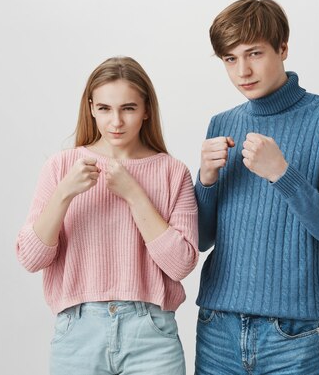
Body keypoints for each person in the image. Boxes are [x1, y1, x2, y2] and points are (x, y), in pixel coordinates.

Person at [194, 0, 319, 374]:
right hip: (217, 326)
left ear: (283, 48)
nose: (243, 70)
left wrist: (283, 175)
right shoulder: (221, 123)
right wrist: (205, 181)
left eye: (254, 53)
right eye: (230, 59)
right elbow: (202, 239)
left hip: (296, 335)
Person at [16, 56, 198, 375]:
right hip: (77, 332)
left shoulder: (172, 172)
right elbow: (31, 259)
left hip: (151, 334)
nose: (116, 121)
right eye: (104, 109)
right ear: (91, 108)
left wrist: (133, 194)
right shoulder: (61, 167)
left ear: (146, 110)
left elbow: (181, 263)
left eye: (128, 108)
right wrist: (64, 193)